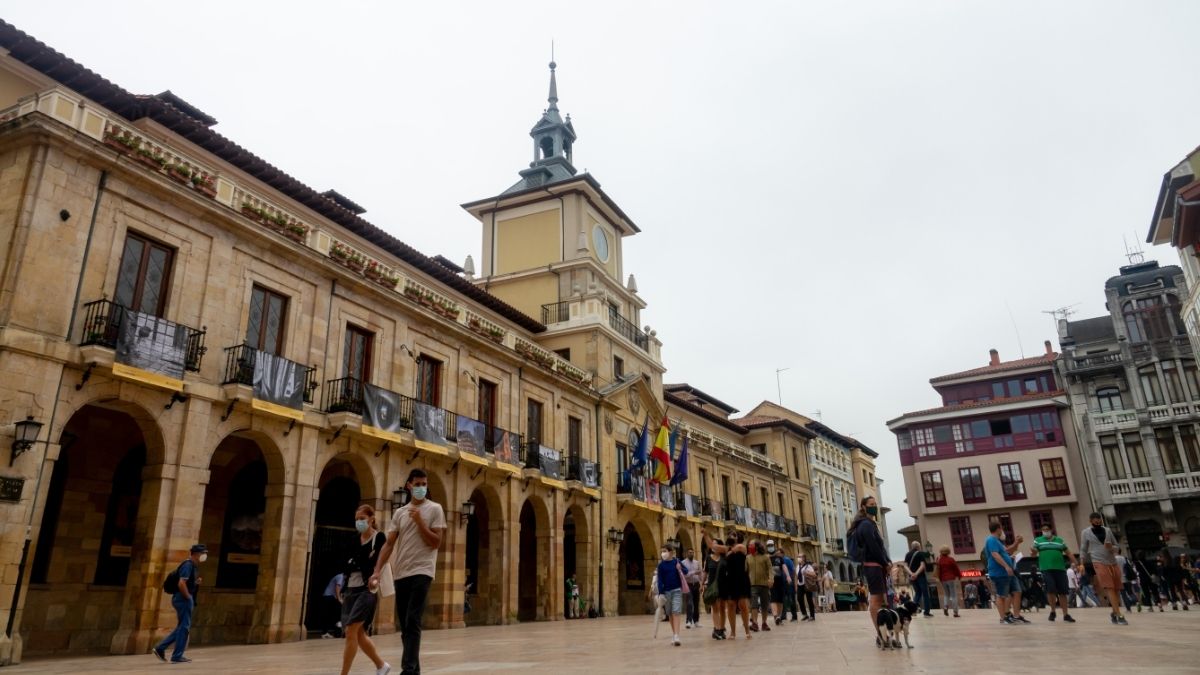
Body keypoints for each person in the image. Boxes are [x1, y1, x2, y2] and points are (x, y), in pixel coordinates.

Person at [371, 469, 446, 675]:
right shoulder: (400, 512)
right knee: (405, 624)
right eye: (418, 484)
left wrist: (420, 522)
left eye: (424, 484)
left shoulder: (435, 509)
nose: (422, 487)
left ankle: (408, 669)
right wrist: (377, 571)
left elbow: (436, 542)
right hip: (401, 572)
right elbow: (388, 544)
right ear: (409, 486)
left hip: (423, 571)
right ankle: (415, 669)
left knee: (413, 619)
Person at [338, 505, 390, 675]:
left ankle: (343, 674)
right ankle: (381, 665)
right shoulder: (354, 540)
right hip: (350, 590)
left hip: (367, 590)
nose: (359, 522)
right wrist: (342, 586)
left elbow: (377, 561)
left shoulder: (379, 538)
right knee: (358, 634)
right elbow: (348, 564)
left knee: (351, 629)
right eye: (357, 519)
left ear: (371, 519)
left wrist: (371, 569)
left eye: (362, 518)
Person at [846, 495, 890, 646]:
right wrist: (885, 562)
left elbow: (880, 546)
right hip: (873, 566)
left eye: (875, 503)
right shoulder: (865, 525)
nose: (874, 506)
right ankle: (880, 634)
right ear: (863, 507)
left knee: (881, 600)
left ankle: (884, 633)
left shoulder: (869, 523)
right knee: (876, 600)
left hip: (876, 566)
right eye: (871, 504)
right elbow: (874, 547)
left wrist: (887, 561)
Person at [153, 543, 207, 664]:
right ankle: (176, 655)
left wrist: (195, 582)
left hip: (182, 598)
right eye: (203, 553)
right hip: (183, 598)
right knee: (184, 627)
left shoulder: (192, 565)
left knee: (182, 626)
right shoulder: (188, 565)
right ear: (197, 554)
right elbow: (181, 583)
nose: (204, 556)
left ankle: (161, 648)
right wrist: (188, 596)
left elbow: (186, 582)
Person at [1078, 512, 1128, 625]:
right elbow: (1083, 548)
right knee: (1109, 587)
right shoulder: (1085, 532)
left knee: (1116, 588)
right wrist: (1081, 563)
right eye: (1095, 520)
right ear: (1090, 521)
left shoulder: (1108, 530)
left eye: (1099, 519)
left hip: (1112, 561)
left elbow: (1117, 547)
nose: (1097, 521)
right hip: (1098, 561)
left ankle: (1114, 612)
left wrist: (1112, 547)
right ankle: (1119, 614)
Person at [983, 521, 1027, 625]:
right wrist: (1006, 566)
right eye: (1001, 528)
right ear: (998, 529)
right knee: (1001, 595)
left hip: (1008, 572)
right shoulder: (991, 540)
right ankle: (1003, 618)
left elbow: (1006, 552)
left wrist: (1010, 556)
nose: (1002, 530)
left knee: (1017, 591)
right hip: (999, 572)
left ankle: (1016, 616)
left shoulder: (998, 541)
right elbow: (995, 554)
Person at [1031, 524, 1075, 623]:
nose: (1045, 531)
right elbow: (1033, 554)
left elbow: (1068, 553)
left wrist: (1076, 563)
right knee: (1050, 590)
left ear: (1051, 530)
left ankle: (1065, 614)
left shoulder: (1059, 540)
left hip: (1060, 569)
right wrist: (1033, 551)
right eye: (1043, 530)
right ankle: (1053, 611)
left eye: (1047, 529)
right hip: (1046, 569)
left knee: (1063, 592)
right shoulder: (1038, 540)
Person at [654, 544, 686, 646]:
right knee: (670, 613)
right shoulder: (661, 565)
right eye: (662, 551)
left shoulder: (676, 561)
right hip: (666, 592)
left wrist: (680, 568)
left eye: (665, 551)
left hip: (677, 590)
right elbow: (660, 580)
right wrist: (661, 593)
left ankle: (677, 635)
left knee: (676, 612)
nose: (663, 553)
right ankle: (674, 634)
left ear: (671, 552)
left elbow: (686, 571)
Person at [747, 540, 773, 631]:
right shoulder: (748, 558)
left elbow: (770, 569)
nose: (749, 546)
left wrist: (771, 579)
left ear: (756, 547)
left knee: (764, 605)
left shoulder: (765, 557)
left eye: (751, 545)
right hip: (753, 585)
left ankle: (764, 623)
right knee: (754, 605)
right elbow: (745, 571)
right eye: (749, 545)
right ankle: (755, 623)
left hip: (764, 584)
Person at [701, 542, 726, 639]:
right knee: (715, 607)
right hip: (712, 586)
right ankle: (717, 629)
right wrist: (702, 583)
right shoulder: (708, 558)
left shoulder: (724, 558)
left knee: (722, 608)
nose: (713, 546)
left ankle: (722, 628)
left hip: (723, 585)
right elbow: (705, 571)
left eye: (715, 544)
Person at [904, 541, 933, 617]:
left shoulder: (907, 554)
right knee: (925, 594)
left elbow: (905, 566)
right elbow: (922, 565)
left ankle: (912, 611)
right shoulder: (920, 554)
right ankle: (926, 612)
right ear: (918, 547)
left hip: (912, 577)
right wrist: (916, 574)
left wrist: (911, 574)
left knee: (917, 593)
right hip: (920, 576)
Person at [767, 541, 791, 625]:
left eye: (771, 545)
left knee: (780, 600)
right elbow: (767, 556)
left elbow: (784, 566)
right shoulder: (766, 556)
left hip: (780, 580)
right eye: (769, 545)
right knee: (773, 598)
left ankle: (779, 617)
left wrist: (788, 576)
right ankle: (775, 616)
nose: (770, 547)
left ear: (774, 545)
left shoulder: (780, 558)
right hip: (771, 580)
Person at [935, 545, 961, 618]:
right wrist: (959, 576)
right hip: (951, 578)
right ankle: (955, 612)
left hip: (943, 579)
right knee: (953, 595)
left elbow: (938, 570)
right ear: (948, 552)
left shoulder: (939, 560)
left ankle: (946, 606)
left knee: (946, 594)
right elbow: (956, 568)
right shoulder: (950, 559)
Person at [680, 548, 702, 628]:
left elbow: (700, 573)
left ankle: (696, 621)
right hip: (688, 585)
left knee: (696, 603)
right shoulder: (683, 563)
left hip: (696, 584)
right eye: (689, 552)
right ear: (686, 554)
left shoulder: (697, 562)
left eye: (692, 552)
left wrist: (702, 584)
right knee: (689, 603)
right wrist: (694, 573)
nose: (691, 554)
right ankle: (688, 621)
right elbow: (684, 575)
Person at [322, 572, 345, 638]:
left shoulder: (343, 579)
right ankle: (325, 632)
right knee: (328, 614)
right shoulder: (340, 576)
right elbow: (337, 587)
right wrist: (339, 599)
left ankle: (331, 632)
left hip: (332, 597)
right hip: (329, 596)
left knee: (332, 614)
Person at [797, 555, 818, 621]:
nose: (798, 558)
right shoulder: (798, 566)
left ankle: (812, 616)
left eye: (800, 557)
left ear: (803, 558)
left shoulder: (808, 566)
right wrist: (795, 585)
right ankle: (805, 614)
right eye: (798, 557)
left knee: (809, 600)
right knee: (799, 599)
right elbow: (796, 576)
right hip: (800, 585)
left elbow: (814, 574)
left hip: (807, 585)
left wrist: (806, 572)